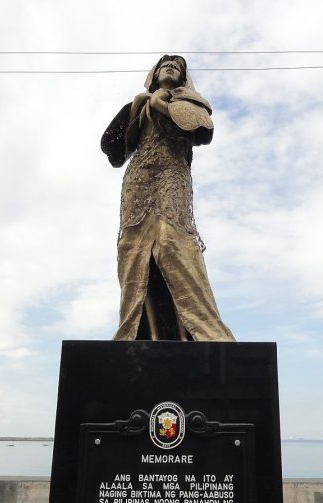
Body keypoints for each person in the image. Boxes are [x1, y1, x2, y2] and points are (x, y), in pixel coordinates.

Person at [101, 55, 235, 341]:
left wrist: (161, 105)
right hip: (139, 180)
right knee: (132, 244)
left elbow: (199, 132)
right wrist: (139, 106)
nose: (171, 66)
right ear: (154, 73)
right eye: (165, 64)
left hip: (171, 178)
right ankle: (137, 331)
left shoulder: (189, 105)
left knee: (172, 238)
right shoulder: (138, 103)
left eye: (177, 65)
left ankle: (198, 329)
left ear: (185, 78)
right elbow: (113, 151)